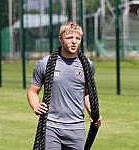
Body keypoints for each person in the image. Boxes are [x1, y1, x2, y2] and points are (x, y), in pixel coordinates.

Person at [27, 21, 102, 150]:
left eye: (77, 38)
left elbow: (86, 94)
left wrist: (93, 112)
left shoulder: (88, 65)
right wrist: (36, 105)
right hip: (50, 126)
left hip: (76, 128)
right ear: (61, 39)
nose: (74, 41)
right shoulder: (45, 64)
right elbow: (33, 91)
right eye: (69, 38)